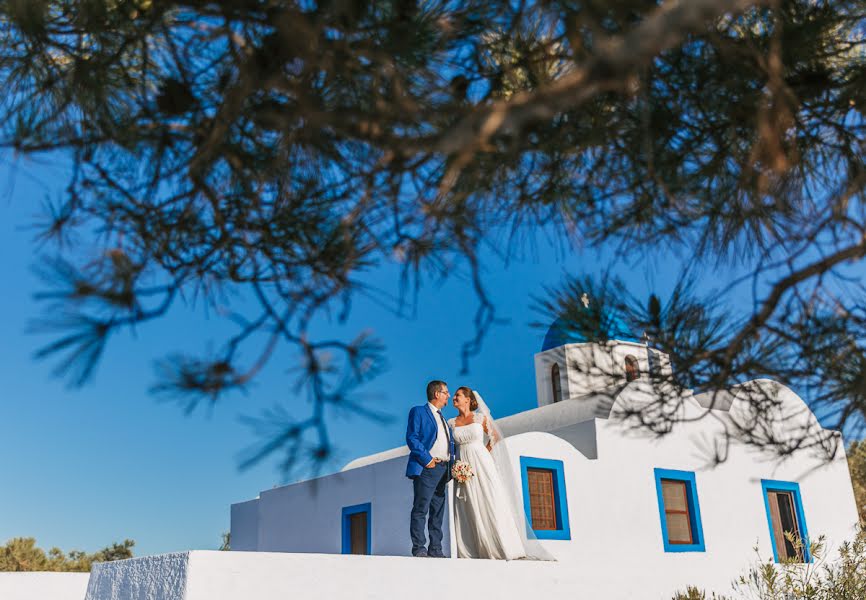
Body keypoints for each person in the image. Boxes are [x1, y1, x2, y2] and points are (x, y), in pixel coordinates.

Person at [448, 386, 527, 560]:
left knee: (490, 498)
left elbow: (495, 436)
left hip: (482, 462)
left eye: (458, 395)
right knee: (468, 502)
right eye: (453, 395)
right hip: (463, 465)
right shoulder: (451, 423)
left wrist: (484, 451)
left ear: (468, 399)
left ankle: (502, 545)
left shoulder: (479, 418)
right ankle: (472, 548)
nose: (454, 398)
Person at [405, 380, 456, 558]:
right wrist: (427, 460)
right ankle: (419, 548)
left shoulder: (443, 418)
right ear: (437, 394)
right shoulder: (419, 411)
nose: (449, 395)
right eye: (446, 392)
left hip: (444, 469)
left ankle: (436, 549)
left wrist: (453, 464)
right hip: (428, 467)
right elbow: (412, 438)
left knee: (438, 512)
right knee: (421, 508)